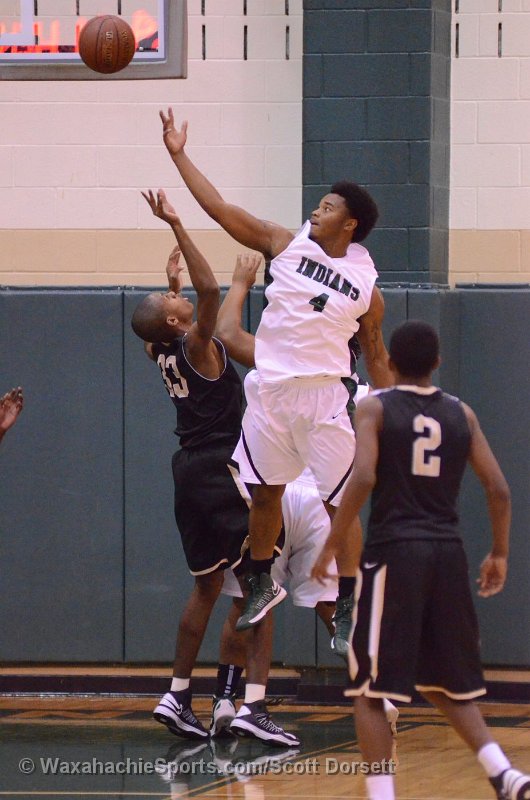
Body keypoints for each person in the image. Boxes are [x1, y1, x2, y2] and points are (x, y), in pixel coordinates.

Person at [158, 108, 394, 635]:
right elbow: (221, 209)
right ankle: (262, 579)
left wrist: (395, 406)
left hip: (325, 396)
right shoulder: (284, 243)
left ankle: (349, 599)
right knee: (266, 493)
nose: (316, 209)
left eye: (328, 207)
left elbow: (376, 352)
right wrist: (179, 155)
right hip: (271, 392)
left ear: (350, 224)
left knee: (339, 504)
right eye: (319, 203)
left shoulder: (366, 288)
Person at [311, 320, 530, 800]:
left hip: (394, 554)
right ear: (437, 363)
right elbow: (499, 489)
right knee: (444, 682)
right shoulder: (462, 413)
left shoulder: (375, 407)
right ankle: (503, 774)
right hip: (448, 555)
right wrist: (499, 552)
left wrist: (331, 542)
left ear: (390, 362)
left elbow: (363, 476)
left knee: (368, 688)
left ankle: (382, 795)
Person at [131, 188, 299, 748]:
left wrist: (172, 293)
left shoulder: (161, 351)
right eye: (168, 299)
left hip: (188, 470)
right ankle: (253, 705)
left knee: (207, 586)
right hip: (222, 465)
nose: (172, 296)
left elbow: (160, 324)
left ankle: (178, 695)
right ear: (178, 321)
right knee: (261, 584)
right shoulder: (197, 345)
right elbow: (210, 293)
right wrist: (179, 226)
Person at [214, 253, 399, 745]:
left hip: (270, 499)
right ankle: (374, 694)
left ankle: (233, 700)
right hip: (320, 504)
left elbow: (228, 334)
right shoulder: (355, 389)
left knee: (251, 601)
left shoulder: (272, 360)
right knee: (334, 607)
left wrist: (239, 284)